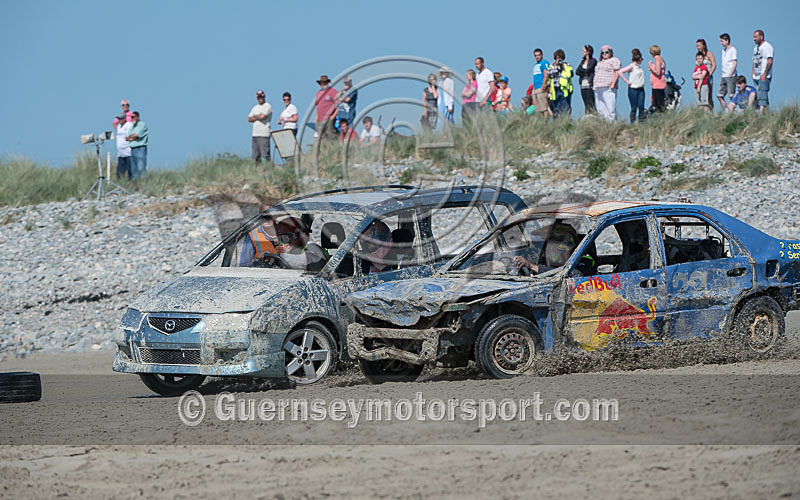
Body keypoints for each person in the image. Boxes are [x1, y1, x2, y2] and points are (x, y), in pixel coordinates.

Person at [513, 222, 594, 276]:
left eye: (553, 241)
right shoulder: (551, 260)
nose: (549, 247)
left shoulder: (583, 259)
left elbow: (574, 274)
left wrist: (532, 266)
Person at [543, 49, 574, 118]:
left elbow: (570, 74)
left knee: (564, 108)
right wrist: (556, 67)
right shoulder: (551, 66)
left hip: (564, 90)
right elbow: (549, 74)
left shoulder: (567, 65)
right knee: (555, 108)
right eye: (557, 57)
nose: (559, 59)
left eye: (560, 57)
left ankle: (565, 122)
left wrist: (562, 66)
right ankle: (556, 122)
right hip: (554, 90)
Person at [593, 45, 621, 122]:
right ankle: (604, 122)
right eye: (602, 52)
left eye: (606, 52)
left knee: (610, 106)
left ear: (610, 52)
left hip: (608, 86)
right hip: (598, 86)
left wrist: (613, 84)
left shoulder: (614, 60)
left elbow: (617, 72)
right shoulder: (600, 62)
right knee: (600, 106)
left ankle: (612, 122)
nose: (604, 54)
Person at [619, 48, 646, 123]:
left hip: (641, 89)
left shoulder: (639, 68)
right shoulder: (631, 66)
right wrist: (626, 81)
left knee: (641, 106)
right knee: (634, 107)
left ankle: (641, 122)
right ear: (639, 59)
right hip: (633, 89)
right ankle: (633, 122)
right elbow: (620, 72)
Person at [752, 29, 774, 111]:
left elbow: (770, 61)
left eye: (756, 37)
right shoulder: (756, 48)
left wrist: (764, 73)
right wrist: (753, 72)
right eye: (753, 37)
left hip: (764, 75)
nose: (754, 39)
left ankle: (761, 112)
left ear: (761, 37)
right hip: (756, 75)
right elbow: (754, 60)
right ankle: (767, 112)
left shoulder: (767, 47)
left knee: (762, 95)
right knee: (759, 95)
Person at [248, 90, 272, 163]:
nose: (260, 98)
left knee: (265, 155)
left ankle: (268, 169)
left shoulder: (267, 106)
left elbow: (262, 116)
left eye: (261, 97)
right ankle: (258, 171)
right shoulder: (255, 107)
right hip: (255, 134)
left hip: (264, 135)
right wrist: (257, 116)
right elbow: (249, 119)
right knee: (255, 157)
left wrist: (254, 117)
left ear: (264, 96)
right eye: (259, 97)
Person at [717, 33, 738, 110]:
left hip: (730, 76)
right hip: (724, 75)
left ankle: (734, 110)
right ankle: (726, 110)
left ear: (727, 40)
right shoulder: (723, 50)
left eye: (722, 41)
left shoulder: (733, 50)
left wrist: (730, 74)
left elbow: (735, 63)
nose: (721, 43)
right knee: (719, 95)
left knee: (731, 95)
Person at [575, 45, 597, 114]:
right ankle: (587, 115)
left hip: (590, 84)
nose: (582, 52)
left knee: (591, 102)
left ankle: (593, 115)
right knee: (585, 102)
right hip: (582, 84)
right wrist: (584, 72)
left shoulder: (593, 61)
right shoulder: (582, 61)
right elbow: (577, 71)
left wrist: (583, 71)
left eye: (584, 50)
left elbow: (589, 69)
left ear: (588, 52)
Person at [126, 111, 148, 179]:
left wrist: (132, 137)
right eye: (131, 117)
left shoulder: (142, 124)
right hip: (132, 149)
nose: (132, 119)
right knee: (134, 169)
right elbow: (127, 138)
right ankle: (136, 183)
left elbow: (137, 135)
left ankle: (143, 182)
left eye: (133, 117)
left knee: (140, 167)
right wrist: (132, 137)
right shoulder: (131, 127)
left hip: (140, 148)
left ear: (138, 117)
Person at [696, 39, 716, 111]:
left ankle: (711, 111)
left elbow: (714, 65)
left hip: (708, 77)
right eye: (697, 46)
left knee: (709, 96)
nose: (698, 47)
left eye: (699, 45)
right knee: (700, 96)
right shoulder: (698, 56)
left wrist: (709, 74)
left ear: (703, 45)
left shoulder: (709, 54)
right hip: (700, 78)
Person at [530, 48, 551, 117]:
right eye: (536, 55)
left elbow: (546, 74)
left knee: (544, 107)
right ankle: (541, 122)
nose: (537, 57)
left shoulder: (544, 63)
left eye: (539, 55)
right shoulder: (536, 65)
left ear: (542, 55)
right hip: (535, 88)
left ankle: (545, 121)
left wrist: (543, 84)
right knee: (538, 108)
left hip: (541, 88)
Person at [648, 45, 667, 113]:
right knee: (661, 103)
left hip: (657, 85)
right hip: (661, 84)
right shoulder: (662, 59)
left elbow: (657, 72)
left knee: (657, 104)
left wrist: (651, 67)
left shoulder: (657, 60)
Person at [114, 114, 133, 180]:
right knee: (120, 171)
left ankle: (131, 183)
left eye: (121, 119)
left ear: (125, 119)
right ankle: (120, 183)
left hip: (128, 151)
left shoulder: (129, 125)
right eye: (118, 119)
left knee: (130, 170)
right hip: (120, 153)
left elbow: (132, 136)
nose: (119, 120)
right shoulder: (119, 126)